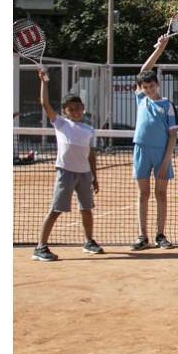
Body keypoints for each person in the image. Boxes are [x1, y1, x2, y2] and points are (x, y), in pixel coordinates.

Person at [33, 69, 101, 261]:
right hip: (65, 173)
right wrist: (44, 82)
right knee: (56, 209)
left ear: (83, 108)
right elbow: (45, 103)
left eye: (78, 108)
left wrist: (94, 177)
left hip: (85, 174)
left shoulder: (89, 129)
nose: (75, 111)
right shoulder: (60, 124)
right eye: (71, 109)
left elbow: (91, 155)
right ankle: (40, 247)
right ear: (65, 111)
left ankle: (89, 241)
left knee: (86, 209)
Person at [130, 35, 178, 251]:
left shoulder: (167, 105)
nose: (148, 89)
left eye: (151, 85)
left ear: (157, 84)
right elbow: (144, 68)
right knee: (143, 194)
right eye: (145, 86)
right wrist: (159, 48)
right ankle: (143, 236)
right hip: (140, 150)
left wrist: (167, 159)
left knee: (160, 194)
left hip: (161, 154)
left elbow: (173, 135)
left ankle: (160, 235)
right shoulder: (141, 99)